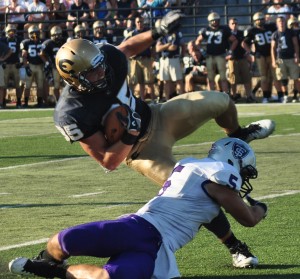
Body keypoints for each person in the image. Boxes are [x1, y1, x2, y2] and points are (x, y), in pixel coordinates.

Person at [53, 10, 275, 268]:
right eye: (92, 73)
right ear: (75, 79)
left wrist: (158, 30)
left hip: (158, 115)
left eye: (100, 65)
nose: (101, 72)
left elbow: (126, 48)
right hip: (139, 151)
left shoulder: (105, 60)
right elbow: (107, 161)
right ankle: (235, 246)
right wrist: (129, 135)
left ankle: (239, 135)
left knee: (221, 101)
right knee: (198, 191)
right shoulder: (72, 113)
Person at [9, 137, 268, 279]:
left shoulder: (194, 169)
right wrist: (261, 209)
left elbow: (209, 213)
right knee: (62, 240)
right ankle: (44, 262)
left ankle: (54, 271)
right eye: (244, 171)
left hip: (155, 249)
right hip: (137, 227)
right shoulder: (219, 174)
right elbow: (248, 218)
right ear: (232, 161)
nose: (242, 179)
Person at [242, 12, 281, 103]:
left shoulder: (270, 27)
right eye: (257, 20)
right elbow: (244, 43)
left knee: (274, 76)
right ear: (255, 21)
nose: (260, 21)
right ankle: (266, 96)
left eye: (261, 19)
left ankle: (277, 95)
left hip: (271, 55)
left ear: (264, 19)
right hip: (261, 56)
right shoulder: (252, 30)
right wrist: (252, 52)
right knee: (264, 77)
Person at [195, 12, 238, 93]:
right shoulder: (206, 30)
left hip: (220, 55)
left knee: (223, 78)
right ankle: (211, 95)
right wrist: (202, 51)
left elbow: (235, 41)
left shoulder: (224, 29)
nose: (214, 22)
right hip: (210, 56)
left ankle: (225, 95)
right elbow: (197, 42)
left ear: (219, 20)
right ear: (209, 21)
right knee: (210, 78)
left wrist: (230, 51)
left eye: (216, 20)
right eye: (213, 20)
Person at [271, 16, 300, 103]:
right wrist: (273, 60)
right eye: (279, 21)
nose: (281, 23)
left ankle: (297, 95)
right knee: (283, 79)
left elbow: (295, 45)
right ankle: (286, 95)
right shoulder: (275, 34)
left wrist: (297, 56)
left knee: (296, 78)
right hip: (281, 58)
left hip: (291, 57)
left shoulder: (291, 32)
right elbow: (272, 48)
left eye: (282, 21)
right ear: (277, 23)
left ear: (285, 22)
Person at [126, 16, 156, 102]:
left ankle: (153, 100)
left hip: (146, 59)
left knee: (149, 82)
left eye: (141, 21)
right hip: (135, 60)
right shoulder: (132, 34)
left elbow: (153, 46)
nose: (140, 23)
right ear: (135, 23)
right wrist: (130, 55)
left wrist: (153, 59)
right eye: (138, 22)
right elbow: (126, 45)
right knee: (138, 82)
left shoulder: (147, 33)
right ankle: (141, 101)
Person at [227, 17, 255, 103]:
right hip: (232, 59)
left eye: (236, 23)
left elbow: (249, 43)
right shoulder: (227, 34)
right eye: (232, 23)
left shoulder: (242, 33)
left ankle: (249, 96)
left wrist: (248, 53)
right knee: (233, 79)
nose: (234, 25)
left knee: (246, 77)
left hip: (242, 58)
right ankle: (234, 95)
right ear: (229, 25)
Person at [20, 24, 45, 108]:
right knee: (27, 86)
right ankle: (26, 102)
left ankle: (40, 102)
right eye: (32, 33)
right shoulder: (26, 42)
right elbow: (24, 56)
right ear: (29, 33)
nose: (34, 35)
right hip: (30, 65)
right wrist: (26, 66)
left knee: (40, 86)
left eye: (36, 33)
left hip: (40, 66)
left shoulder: (42, 42)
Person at [0, 24, 23, 108]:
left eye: (13, 31)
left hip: (15, 64)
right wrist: (3, 59)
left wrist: (21, 61)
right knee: (4, 86)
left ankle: (19, 102)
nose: (11, 33)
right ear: (6, 32)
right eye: (10, 31)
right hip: (5, 65)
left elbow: (22, 51)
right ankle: (3, 102)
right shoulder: (3, 40)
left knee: (18, 85)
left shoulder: (19, 40)